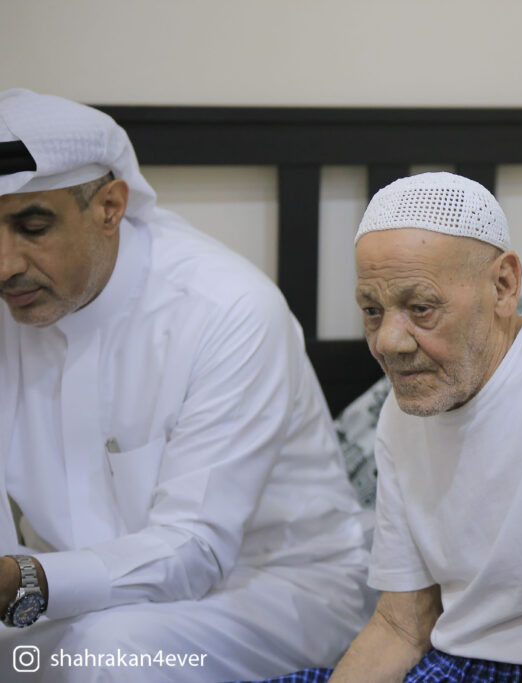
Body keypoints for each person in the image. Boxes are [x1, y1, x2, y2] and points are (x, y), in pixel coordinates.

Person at [0, 89, 372, 682]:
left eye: (33, 227)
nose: (5, 265)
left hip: (270, 591)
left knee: (108, 656)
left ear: (110, 207)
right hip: (67, 598)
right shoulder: (12, 306)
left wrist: (28, 581)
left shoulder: (228, 311)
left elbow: (195, 549)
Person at [258, 171, 522, 683]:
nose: (389, 343)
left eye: (421, 308)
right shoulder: (401, 412)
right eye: (372, 310)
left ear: (503, 285)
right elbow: (401, 625)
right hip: (446, 663)